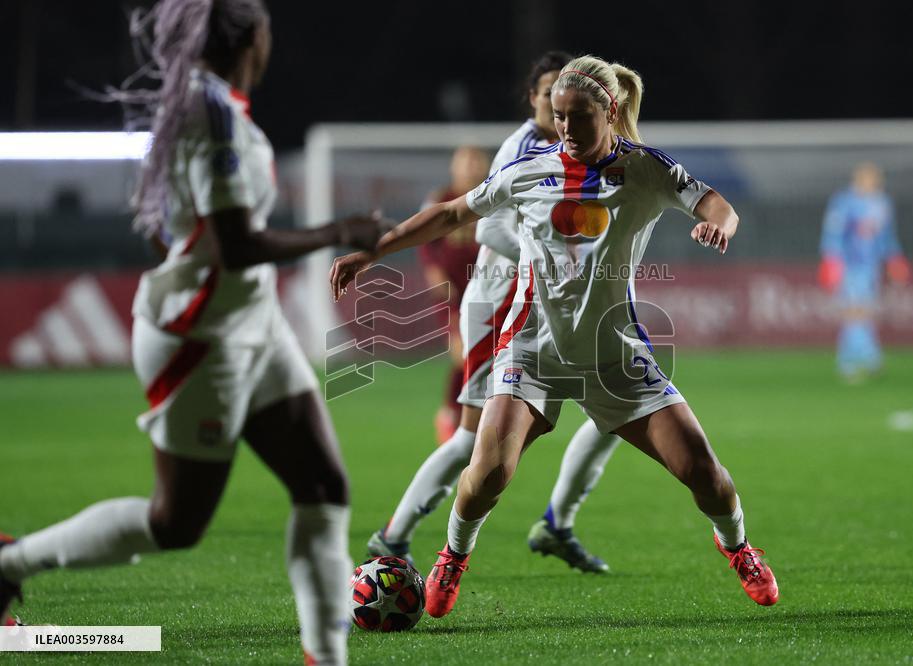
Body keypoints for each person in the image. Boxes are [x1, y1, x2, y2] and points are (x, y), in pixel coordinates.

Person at [0, 2, 384, 664]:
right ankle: (11, 563)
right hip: (205, 338)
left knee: (323, 488)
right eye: (267, 30)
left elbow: (165, 222)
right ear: (251, 39)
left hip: (250, 319)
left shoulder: (207, 103)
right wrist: (339, 232)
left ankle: (326, 655)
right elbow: (236, 243)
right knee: (174, 524)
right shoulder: (212, 115)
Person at [332, 54, 779, 619]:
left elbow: (715, 202)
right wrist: (373, 252)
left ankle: (737, 548)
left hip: (614, 356)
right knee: (488, 471)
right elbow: (449, 214)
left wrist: (721, 223)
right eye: (559, 115)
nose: (564, 127)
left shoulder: (645, 169)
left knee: (705, 473)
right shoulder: (530, 168)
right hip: (532, 352)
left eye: (577, 116)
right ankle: (452, 555)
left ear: (610, 112)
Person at [366, 51, 620, 575]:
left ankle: (558, 523)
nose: (559, 104)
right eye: (550, 91)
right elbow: (485, 226)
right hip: (502, 305)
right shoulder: (524, 146)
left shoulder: (572, 146)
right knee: (470, 441)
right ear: (533, 98)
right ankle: (393, 537)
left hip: (547, 308)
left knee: (616, 405)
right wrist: (550, 253)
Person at [419, 146, 489, 444]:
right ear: (454, 167)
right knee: (463, 354)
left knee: (479, 357)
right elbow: (424, 239)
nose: (471, 168)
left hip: (487, 289)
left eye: (476, 162)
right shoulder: (440, 199)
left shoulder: (492, 197)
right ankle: (451, 414)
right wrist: (433, 270)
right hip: (454, 293)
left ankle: (465, 416)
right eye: (465, 162)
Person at [819, 162, 909, 381]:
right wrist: (832, 260)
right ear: (858, 180)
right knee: (855, 310)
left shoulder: (882, 203)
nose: (873, 183)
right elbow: (833, 233)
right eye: (868, 178)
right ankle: (867, 357)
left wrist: (894, 257)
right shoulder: (844, 202)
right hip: (850, 263)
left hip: (871, 265)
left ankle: (850, 360)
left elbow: (886, 235)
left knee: (863, 311)